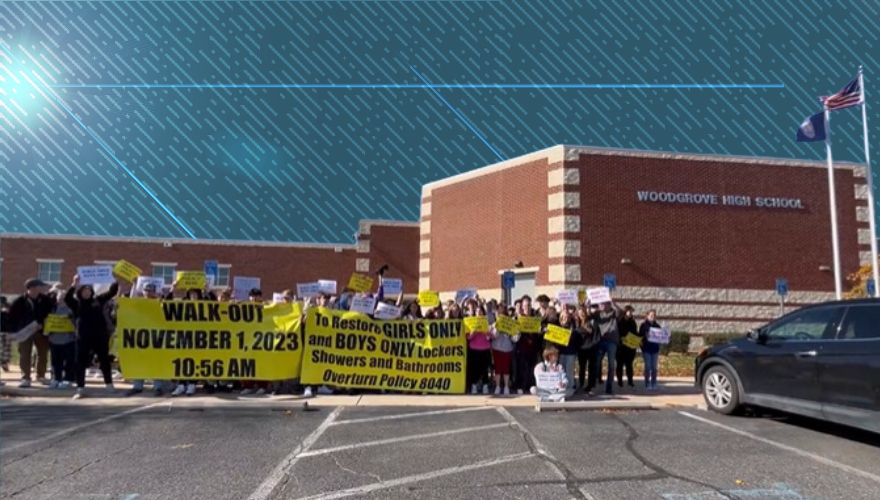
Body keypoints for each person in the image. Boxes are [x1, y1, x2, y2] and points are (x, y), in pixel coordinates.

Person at [65, 274, 118, 399]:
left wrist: (114, 280)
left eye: (89, 290)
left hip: (100, 336)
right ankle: (80, 387)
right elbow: (67, 298)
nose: (87, 293)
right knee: (80, 362)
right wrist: (74, 284)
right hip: (83, 337)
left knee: (104, 360)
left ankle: (109, 384)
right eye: (84, 291)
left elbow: (112, 292)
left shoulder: (98, 300)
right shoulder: (76, 304)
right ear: (80, 292)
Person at [9, 278, 53, 387]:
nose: (42, 288)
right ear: (32, 287)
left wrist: (42, 324)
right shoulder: (19, 300)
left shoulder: (46, 300)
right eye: (40, 286)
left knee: (42, 354)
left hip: (41, 331)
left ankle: (40, 376)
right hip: (24, 332)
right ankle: (26, 378)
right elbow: (12, 317)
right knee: (25, 354)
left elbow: (51, 314)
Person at [125, 281, 167, 397]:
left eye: (151, 291)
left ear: (154, 292)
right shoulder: (139, 303)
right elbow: (129, 303)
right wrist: (134, 283)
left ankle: (158, 387)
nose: (148, 293)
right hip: (140, 336)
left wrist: (161, 299)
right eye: (146, 290)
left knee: (156, 362)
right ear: (143, 291)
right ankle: (137, 386)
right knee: (140, 361)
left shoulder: (159, 303)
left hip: (155, 336)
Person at [590, 299, 622, 395]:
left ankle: (609, 387)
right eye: (601, 303)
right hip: (601, 340)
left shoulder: (614, 313)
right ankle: (593, 386)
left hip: (612, 342)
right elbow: (588, 314)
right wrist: (588, 304)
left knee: (611, 365)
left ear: (609, 305)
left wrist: (613, 302)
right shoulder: (598, 314)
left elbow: (621, 311)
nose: (602, 305)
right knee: (596, 364)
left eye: (604, 303)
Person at [47, 284, 76, 389]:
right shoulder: (52, 309)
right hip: (54, 339)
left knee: (69, 361)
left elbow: (76, 323)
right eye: (59, 298)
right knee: (55, 361)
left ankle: (67, 379)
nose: (61, 300)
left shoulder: (72, 310)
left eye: (63, 298)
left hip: (68, 340)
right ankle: (56, 378)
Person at [463, 299, 491, 395]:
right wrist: (473, 333)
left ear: (483, 312)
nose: (479, 313)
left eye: (480, 311)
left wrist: (486, 333)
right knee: (474, 369)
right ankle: (474, 385)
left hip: (485, 348)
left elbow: (489, 337)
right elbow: (468, 337)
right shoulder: (471, 321)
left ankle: (485, 386)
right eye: (477, 311)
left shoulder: (486, 322)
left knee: (485, 368)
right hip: (474, 348)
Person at [513, 295, 538, 395]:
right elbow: (514, 334)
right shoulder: (518, 318)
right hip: (521, 347)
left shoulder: (534, 318)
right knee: (521, 368)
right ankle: (520, 386)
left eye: (529, 305)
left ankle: (530, 386)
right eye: (525, 305)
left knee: (531, 368)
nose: (527, 307)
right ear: (522, 306)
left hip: (532, 348)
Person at [490, 306, 515, 395]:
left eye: (502, 314)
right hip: (496, 348)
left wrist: (511, 333)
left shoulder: (511, 324)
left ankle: (506, 386)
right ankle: (497, 386)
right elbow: (493, 336)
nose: (500, 316)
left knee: (506, 369)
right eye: (498, 315)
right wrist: (497, 328)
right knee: (497, 368)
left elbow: (515, 338)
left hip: (507, 348)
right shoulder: (494, 324)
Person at [555, 305, 580, 392]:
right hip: (561, 352)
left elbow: (576, 337)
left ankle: (571, 386)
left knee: (569, 370)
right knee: (561, 370)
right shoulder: (558, 326)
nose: (565, 318)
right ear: (561, 317)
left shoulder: (573, 326)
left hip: (571, 352)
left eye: (567, 316)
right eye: (564, 316)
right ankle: (562, 386)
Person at [575, 305, 599, 392]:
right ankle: (581, 384)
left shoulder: (591, 322)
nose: (581, 315)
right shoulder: (576, 323)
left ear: (585, 313)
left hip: (591, 348)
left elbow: (596, 335)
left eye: (583, 313)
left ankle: (590, 386)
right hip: (581, 349)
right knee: (582, 368)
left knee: (591, 368)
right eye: (579, 313)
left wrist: (593, 344)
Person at [639, 309, 662, 391]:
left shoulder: (657, 326)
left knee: (654, 368)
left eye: (654, 316)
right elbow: (640, 337)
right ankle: (647, 383)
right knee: (648, 367)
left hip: (655, 349)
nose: (653, 317)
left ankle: (654, 382)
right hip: (646, 349)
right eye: (651, 315)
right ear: (647, 316)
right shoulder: (643, 325)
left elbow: (661, 337)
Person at [615, 305, 638, 388]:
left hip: (630, 347)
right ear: (625, 311)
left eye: (632, 312)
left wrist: (637, 340)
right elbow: (617, 332)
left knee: (629, 365)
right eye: (629, 311)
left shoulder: (633, 322)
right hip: (620, 347)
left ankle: (630, 381)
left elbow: (635, 333)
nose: (631, 313)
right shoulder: (619, 321)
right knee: (619, 364)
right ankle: (620, 381)